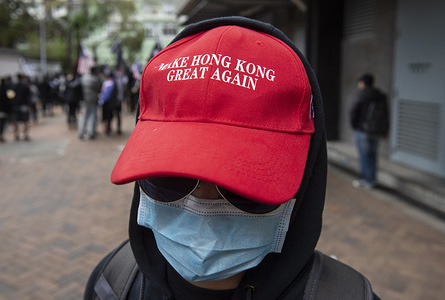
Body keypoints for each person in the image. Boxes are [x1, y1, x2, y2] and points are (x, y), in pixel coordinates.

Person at [85, 17, 381, 300]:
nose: (202, 204)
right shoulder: (111, 284)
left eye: (243, 185)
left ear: (307, 181)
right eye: (172, 177)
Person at [350, 73, 389, 189]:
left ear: (362, 83)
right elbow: (386, 115)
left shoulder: (361, 95)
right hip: (377, 131)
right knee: (373, 155)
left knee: (364, 156)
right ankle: (372, 179)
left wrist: (355, 127)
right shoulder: (381, 96)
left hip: (363, 131)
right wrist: (385, 130)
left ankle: (366, 180)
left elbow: (353, 112)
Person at [78, 67, 101, 140]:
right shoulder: (95, 79)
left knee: (84, 116)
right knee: (92, 116)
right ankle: (91, 133)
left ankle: (81, 132)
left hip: (84, 100)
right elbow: (99, 88)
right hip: (93, 100)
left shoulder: (83, 78)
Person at [11, 74, 32, 141]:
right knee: (25, 121)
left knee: (16, 121)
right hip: (24, 105)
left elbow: (11, 96)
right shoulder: (25, 86)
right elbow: (29, 96)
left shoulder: (13, 86)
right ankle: (25, 135)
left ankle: (16, 135)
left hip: (16, 106)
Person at [98, 71, 117, 135]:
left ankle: (106, 128)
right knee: (109, 116)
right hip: (110, 103)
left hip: (105, 103)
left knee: (105, 116)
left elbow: (104, 93)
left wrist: (101, 100)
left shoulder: (106, 83)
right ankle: (108, 128)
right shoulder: (113, 83)